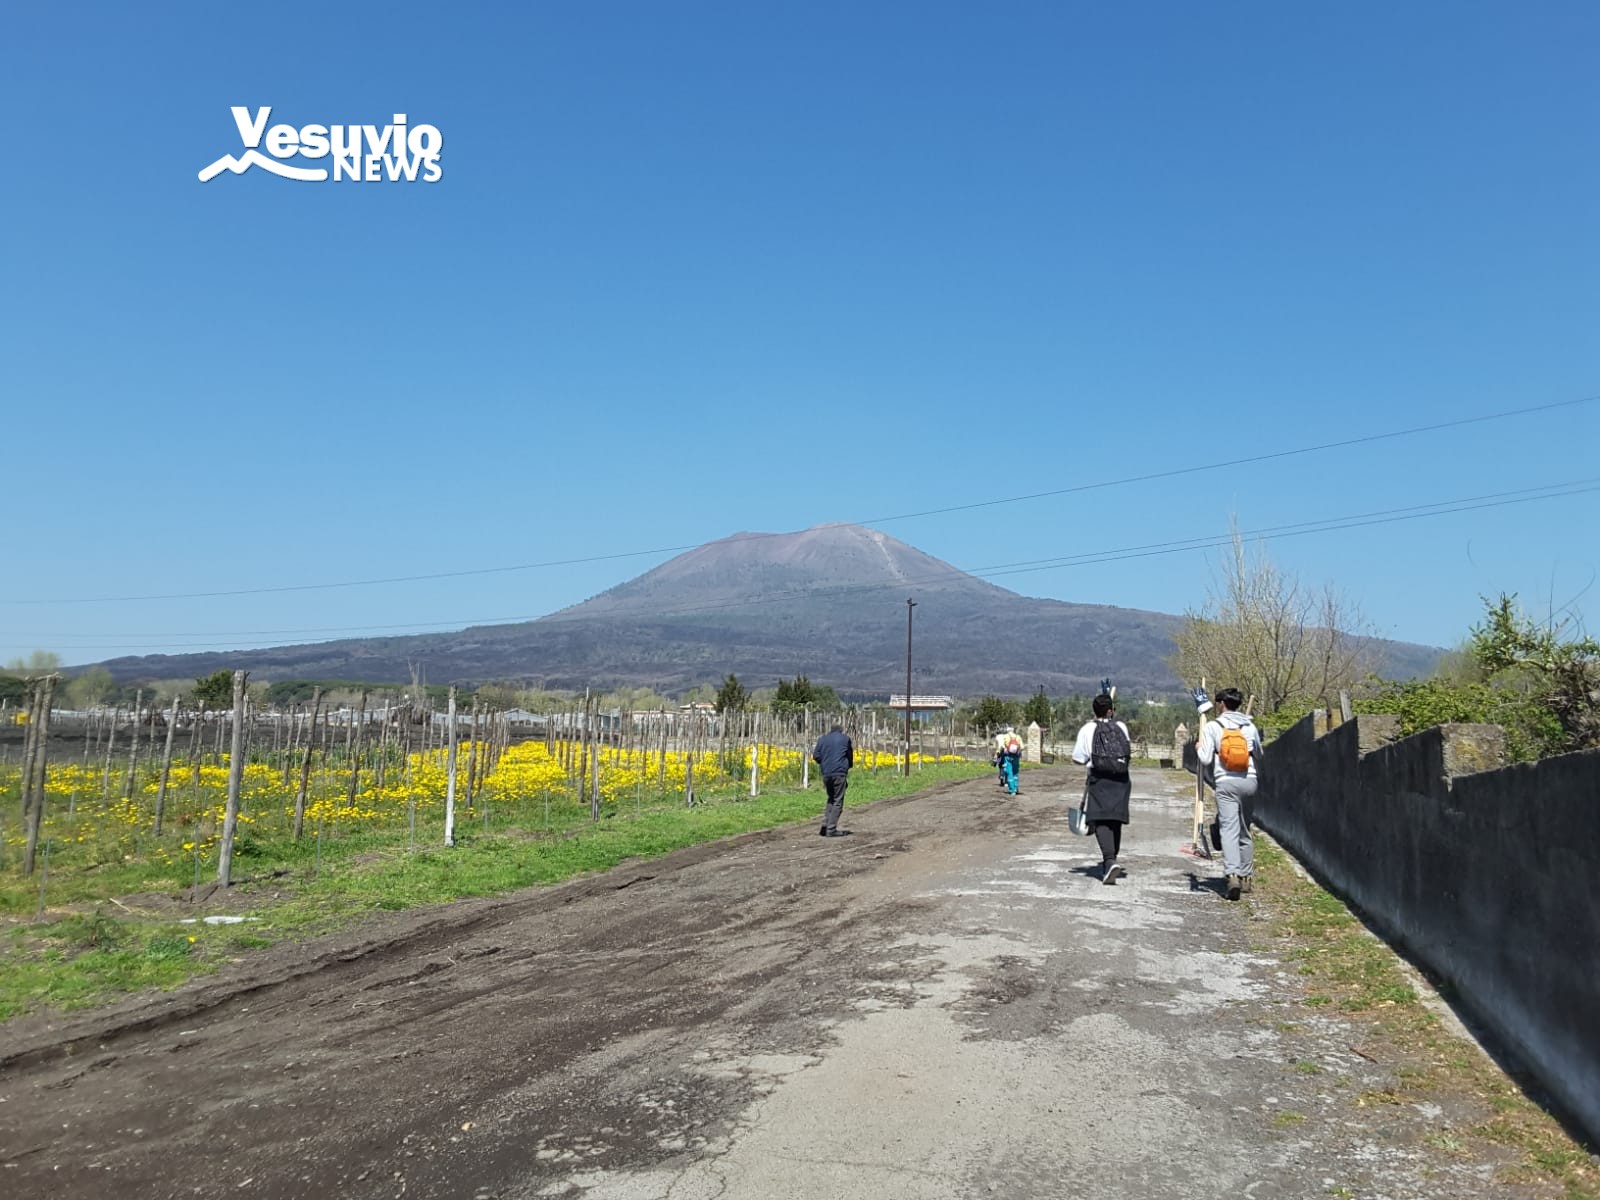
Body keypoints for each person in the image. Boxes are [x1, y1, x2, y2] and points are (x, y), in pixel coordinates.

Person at [1196, 687, 1264, 901]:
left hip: (1225, 782)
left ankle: (1232, 874)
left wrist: (1199, 747)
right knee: (1245, 828)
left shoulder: (1213, 727)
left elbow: (1206, 759)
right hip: (1249, 781)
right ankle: (1246, 877)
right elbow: (1259, 754)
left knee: (1229, 829)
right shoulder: (1249, 726)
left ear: (1221, 704)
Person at [1071, 694, 1132, 884]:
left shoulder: (1087, 729)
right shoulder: (1121, 727)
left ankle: (1109, 860)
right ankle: (1111, 860)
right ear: (1111, 710)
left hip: (1099, 778)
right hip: (1122, 778)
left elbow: (1078, 758)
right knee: (1115, 820)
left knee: (1099, 820)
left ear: (1093, 710)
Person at [811, 723, 854, 838]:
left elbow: (816, 756)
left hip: (826, 773)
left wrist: (824, 763)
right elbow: (849, 755)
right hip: (839, 772)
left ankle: (825, 826)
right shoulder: (845, 739)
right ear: (841, 730)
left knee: (831, 798)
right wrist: (847, 766)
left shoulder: (822, 739)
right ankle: (831, 829)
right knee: (838, 800)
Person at [993, 725, 1023, 795]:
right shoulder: (1018, 737)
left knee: (1009, 772)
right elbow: (1022, 747)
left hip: (1008, 756)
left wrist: (997, 754)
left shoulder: (1005, 736)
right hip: (1016, 757)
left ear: (1007, 730)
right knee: (1015, 772)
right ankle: (1016, 788)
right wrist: (1017, 751)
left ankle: (1012, 790)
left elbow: (1001, 746)